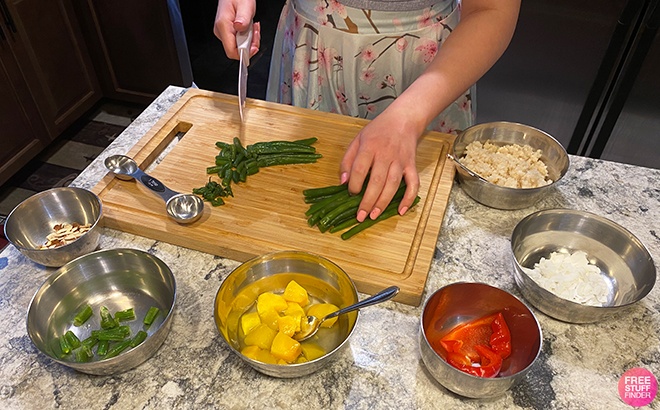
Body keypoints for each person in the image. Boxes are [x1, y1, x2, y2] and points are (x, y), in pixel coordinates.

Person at [214, 0, 520, 222]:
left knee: (402, 218)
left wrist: (408, 117)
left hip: (421, 77)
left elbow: (491, 10)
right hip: (307, 51)